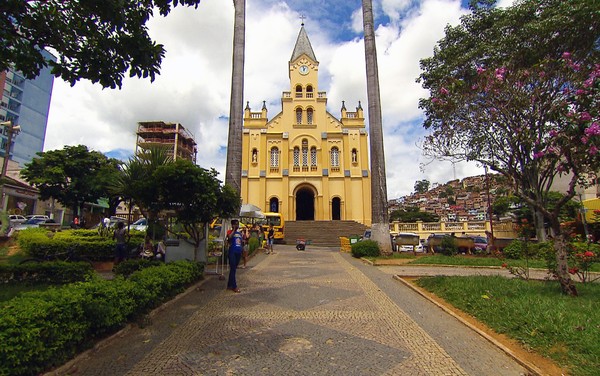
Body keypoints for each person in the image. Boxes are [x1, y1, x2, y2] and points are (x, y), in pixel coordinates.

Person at [226, 219, 243, 293]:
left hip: (238, 252)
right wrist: (234, 230)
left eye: (237, 224)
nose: (237, 225)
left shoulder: (239, 233)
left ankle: (229, 285)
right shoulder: (230, 232)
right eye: (235, 224)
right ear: (232, 225)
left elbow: (241, 242)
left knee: (234, 269)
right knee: (233, 268)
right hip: (232, 252)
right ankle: (234, 286)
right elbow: (229, 238)